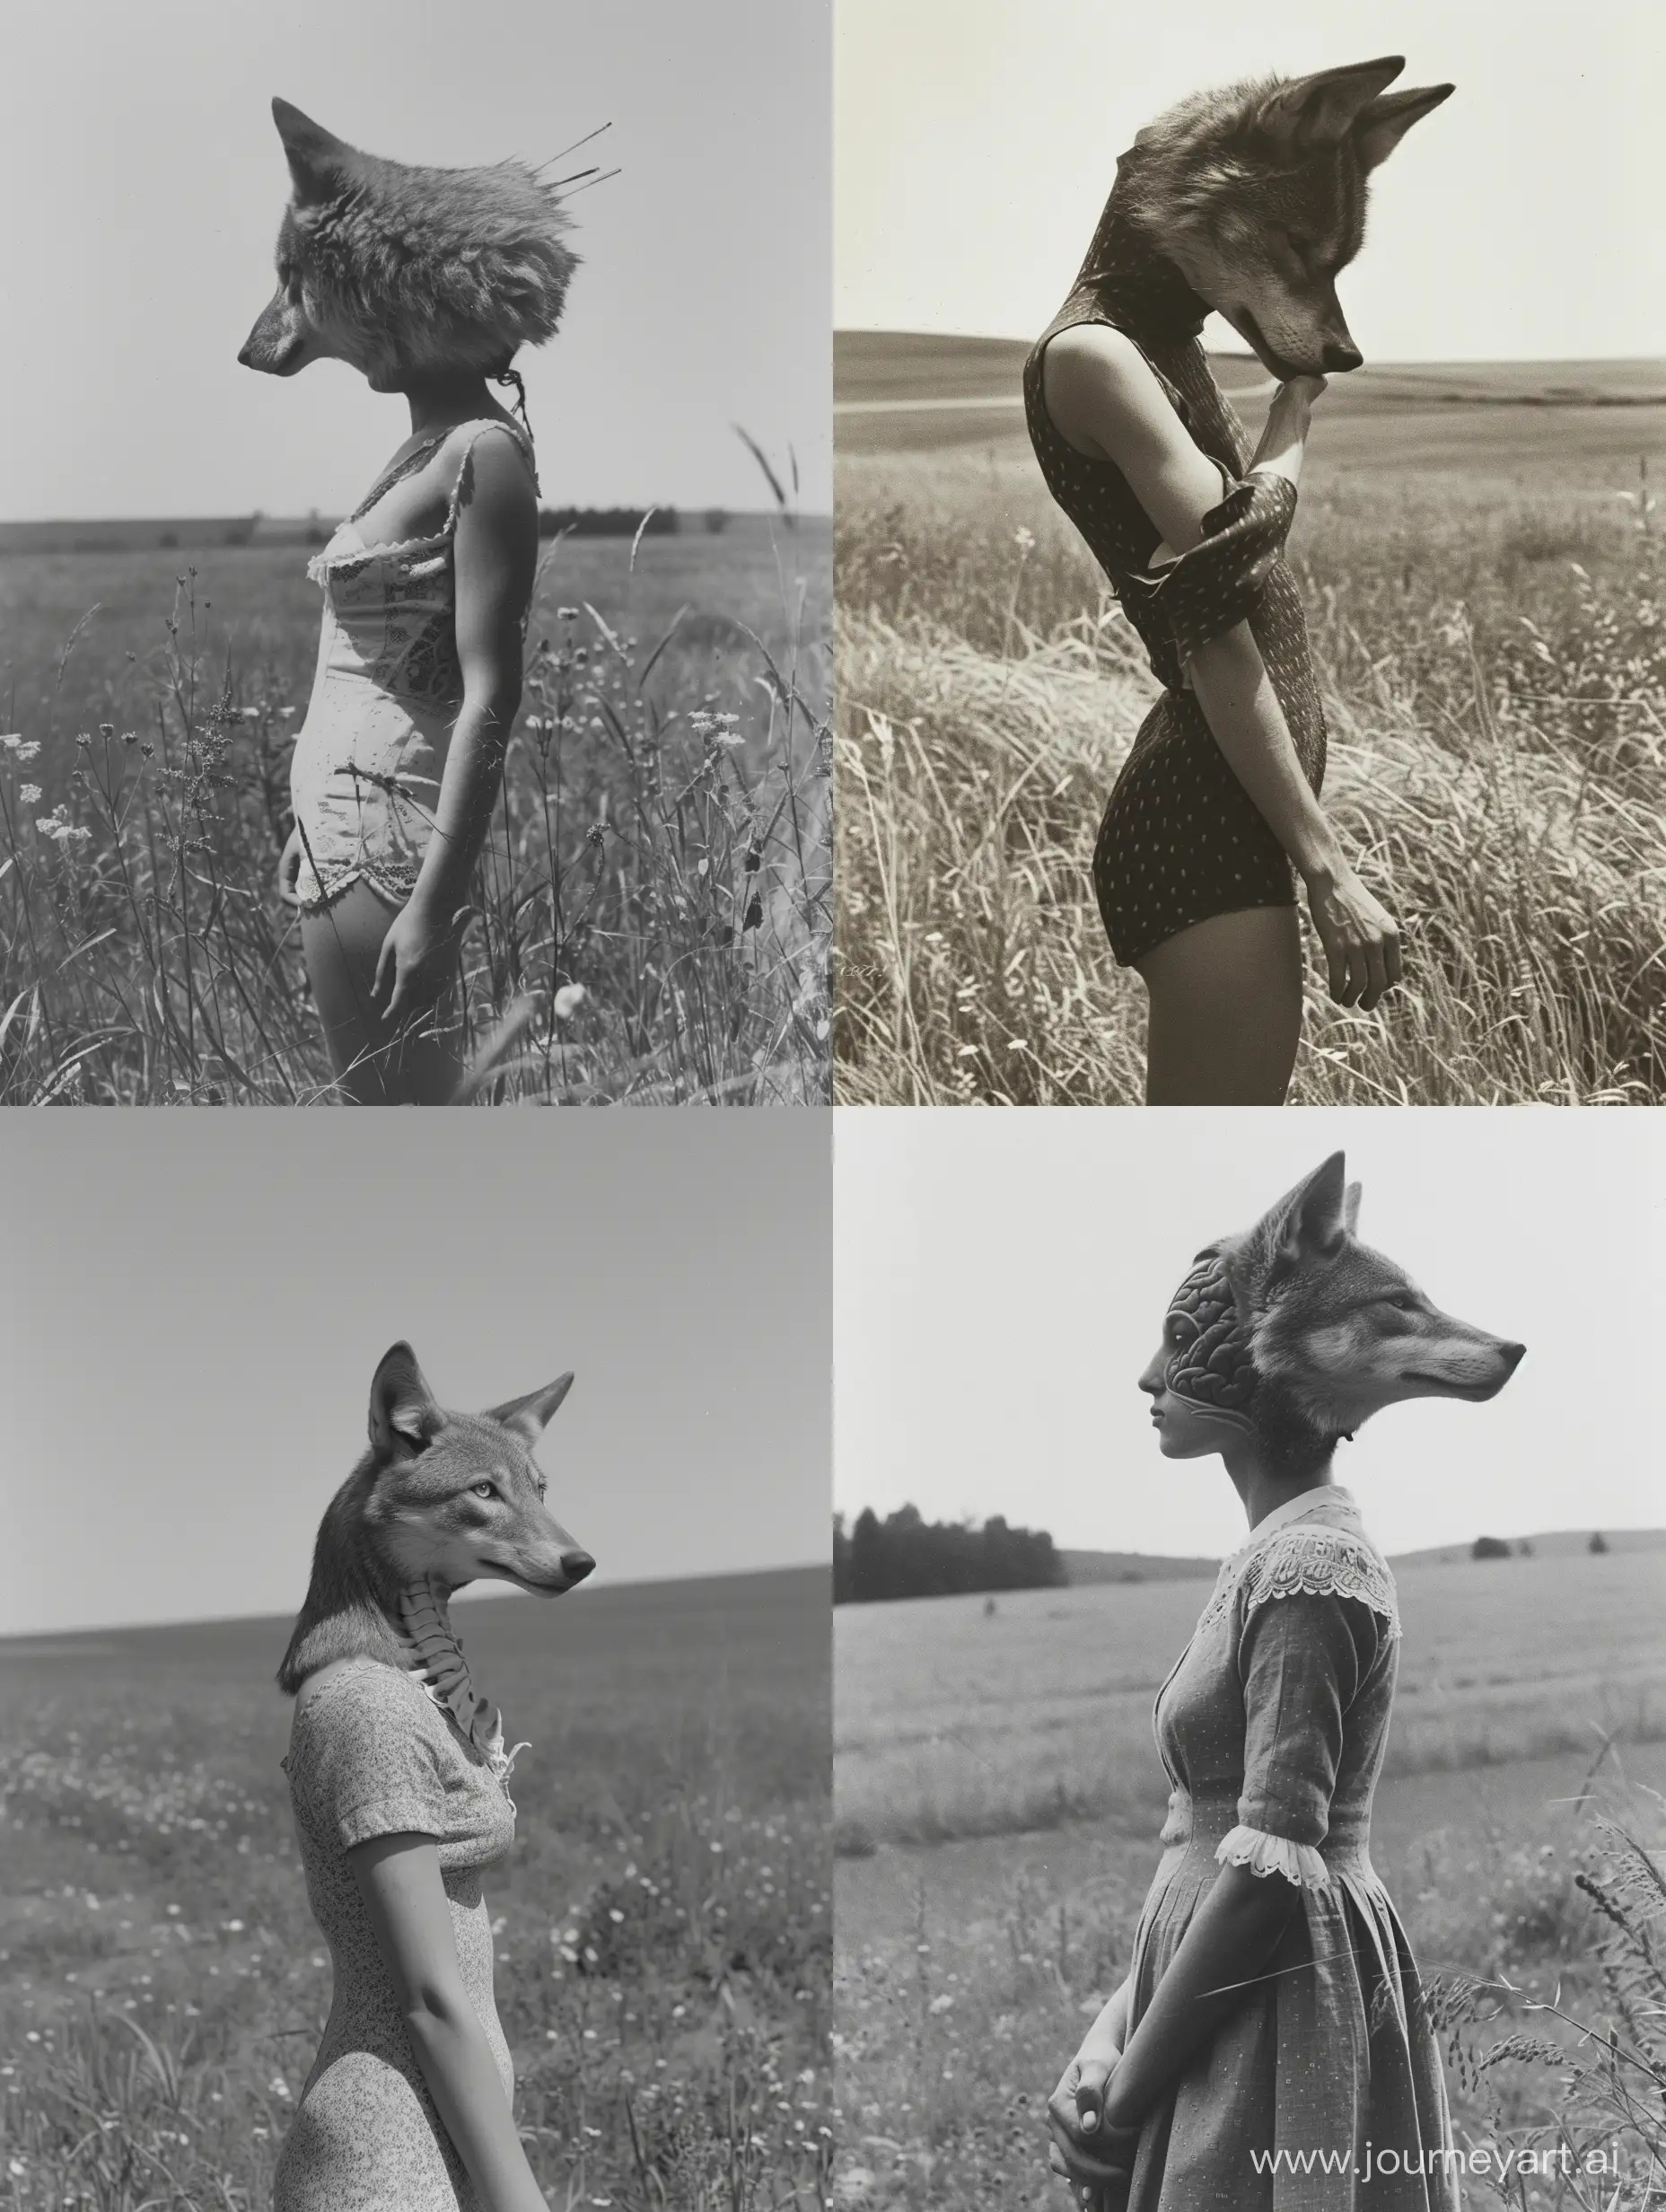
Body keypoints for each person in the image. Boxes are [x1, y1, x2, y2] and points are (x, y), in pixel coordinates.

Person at [1047, 1155, 1522, 2208]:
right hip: (1201, 2009)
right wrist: (1104, 2035)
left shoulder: (1313, 1570)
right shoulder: (1273, 1555)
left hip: (1270, 2007)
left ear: (1248, 1355)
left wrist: (1122, 2103)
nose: (1147, 1377)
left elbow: (1265, 1875)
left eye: (1178, 1342)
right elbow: (1211, 1847)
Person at [1024, 59, 1453, 1102]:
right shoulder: (1098, 356)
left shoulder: (1164, 341)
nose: (1327, 316)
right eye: (1300, 259)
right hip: (1200, 831)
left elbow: (1236, 536)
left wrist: (1289, 418)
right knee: (1203, 1153)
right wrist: (1328, 872)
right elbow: (1215, 625)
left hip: (1231, 816)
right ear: (1211, 192)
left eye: (1329, 265)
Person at [241, 99, 578, 1102]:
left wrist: (434, 902)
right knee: (402, 1113)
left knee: (403, 1119)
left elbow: (491, 694)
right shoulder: (426, 451)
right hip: (345, 834)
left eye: (304, 285)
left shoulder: (482, 455)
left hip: (389, 847)